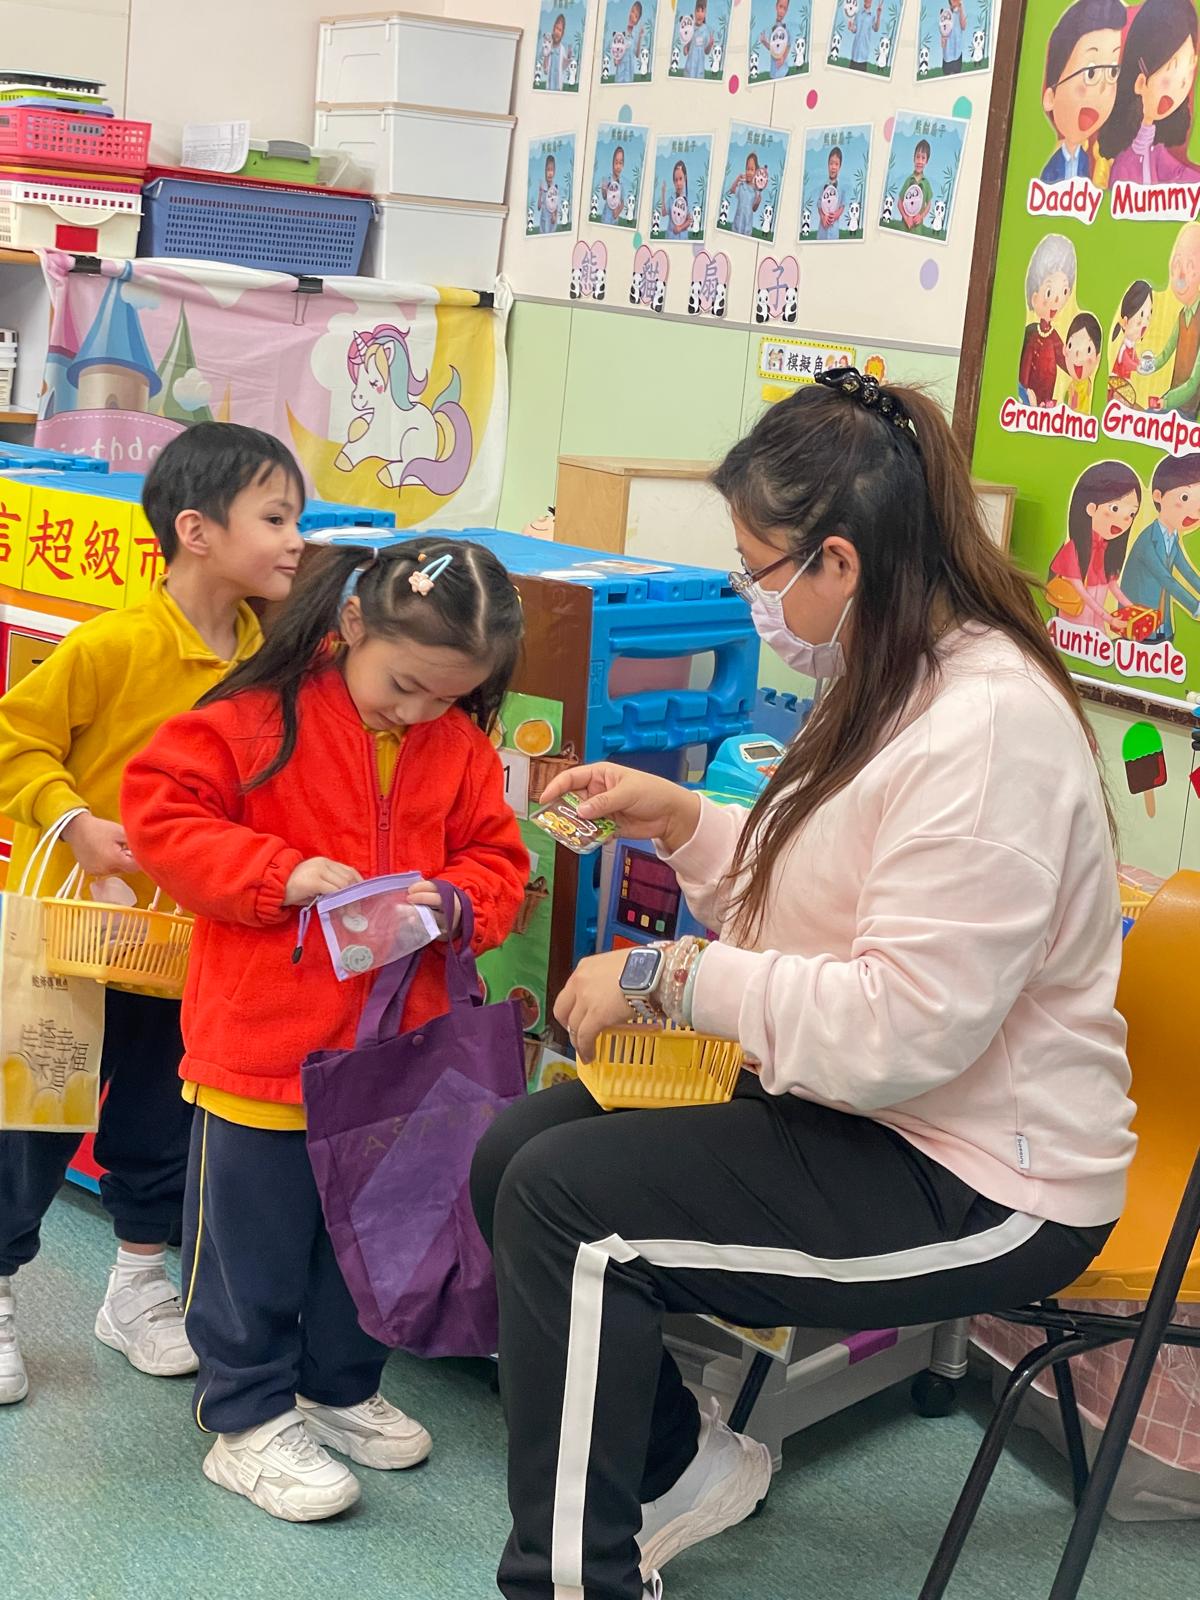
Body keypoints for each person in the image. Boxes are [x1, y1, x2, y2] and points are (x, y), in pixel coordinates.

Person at [471, 367, 1134, 1600]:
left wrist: (669, 974)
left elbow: (896, 1029)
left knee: (573, 1212)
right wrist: (684, 821)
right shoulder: (891, 673)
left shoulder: (986, 730)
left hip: (987, 1175)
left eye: (757, 568)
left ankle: (567, 1579)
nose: (752, 596)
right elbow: (821, 901)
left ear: (840, 560)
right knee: (517, 1151)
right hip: (871, 1109)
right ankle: (677, 1467)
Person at [121, 538, 528, 1523]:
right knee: (250, 1252)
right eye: (404, 685)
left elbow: (499, 862)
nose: (418, 713)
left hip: (395, 1058)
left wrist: (457, 901)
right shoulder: (257, 719)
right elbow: (160, 814)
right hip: (261, 1050)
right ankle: (247, 1419)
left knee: (372, 1243)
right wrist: (279, 874)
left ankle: (336, 1389)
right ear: (351, 624)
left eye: (448, 696)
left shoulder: (460, 749)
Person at [0, 423, 304, 1407]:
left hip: (192, 949)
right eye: (276, 517)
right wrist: (75, 822)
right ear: (196, 531)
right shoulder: (115, 643)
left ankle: (136, 1287)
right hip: (75, 941)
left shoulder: (273, 662)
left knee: (161, 1124)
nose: (296, 539)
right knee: (31, 1120)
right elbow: (15, 739)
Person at [1098, 0, 1200, 186]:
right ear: (1140, 82)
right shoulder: (1124, 164)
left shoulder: (1157, 152)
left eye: (1183, 82)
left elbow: (1178, 173)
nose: (1173, 92)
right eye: (1166, 78)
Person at [1047, 459, 1140, 632]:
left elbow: (1113, 586)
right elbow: (1082, 593)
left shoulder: (1107, 551)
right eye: (1114, 508)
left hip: (1097, 627)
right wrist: (1109, 618)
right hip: (1072, 626)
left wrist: (1135, 610)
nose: (1124, 520)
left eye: (1131, 513)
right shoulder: (1073, 549)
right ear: (1091, 508)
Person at [1039, 0, 1124, 184]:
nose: (1102, 88)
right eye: (1091, 73)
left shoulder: (1089, 162)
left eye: (1112, 72)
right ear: (1050, 97)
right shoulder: (1051, 168)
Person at [1120, 452, 1200, 639]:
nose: (1195, 511)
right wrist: (1195, 606)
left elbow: (1187, 571)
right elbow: (1166, 578)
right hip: (1140, 619)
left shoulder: (1172, 537)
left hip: (1161, 618)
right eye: (1185, 498)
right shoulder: (1147, 540)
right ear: (1158, 496)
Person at [1148, 221, 1200, 416]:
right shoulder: (1182, 315)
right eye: (1177, 264)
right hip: (1171, 400)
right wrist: (1145, 365)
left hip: (1187, 410)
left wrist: (1166, 401)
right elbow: (1166, 353)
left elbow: (1194, 382)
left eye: (1190, 265)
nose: (1181, 274)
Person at [1019, 233, 1076, 406]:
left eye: (1064, 291)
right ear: (1034, 296)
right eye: (1050, 292)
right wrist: (1024, 391)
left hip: (1046, 404)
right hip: (1027, 399)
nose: (1057, 300)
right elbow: (1024, 366)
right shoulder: (1030, 334)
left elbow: (1065, 362)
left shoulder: (1054, 337)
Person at [1107, 280, 1155, 405]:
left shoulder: (1131, 347)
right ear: (1125, 321)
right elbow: (1127, 362)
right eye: (1141, 316)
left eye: (1148, 317)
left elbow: (1135, 359)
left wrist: (1142, 364)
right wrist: (1137, 367)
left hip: (1125, 384)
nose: (1144, 323)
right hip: (1115, 383)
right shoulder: (1122, 347)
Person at [1063, 309, 1103, 412]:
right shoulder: (1070, 386)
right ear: (1064, 349)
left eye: (1088, 349)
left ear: (1097, 358)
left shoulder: (1090, 386)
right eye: (1071, 345)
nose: (1078, 354)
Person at [902, 136, 934, 228]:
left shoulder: (926, 183)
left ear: (927, 161)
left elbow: (929, 204)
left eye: (923, 158)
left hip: (918, 227)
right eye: (918, 157)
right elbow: (900, 202)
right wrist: (906, 217)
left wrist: (921, 216)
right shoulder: (909, 180)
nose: (919, 161)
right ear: (914, 158)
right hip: (904, 225)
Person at [728, 149, 761, 235]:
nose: (749, 172)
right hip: (736, 226)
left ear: (756, 172)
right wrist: (737, 179)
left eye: (752, 169)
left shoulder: (756, 191)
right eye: (747, 169)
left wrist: (758, 201)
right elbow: (732, 190)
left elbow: (754, 209)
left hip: (747, 228)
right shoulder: (742, 185)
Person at [817, 145, 845, 238]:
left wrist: (836, 215)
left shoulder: (842, 187)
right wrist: (822, 217)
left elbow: (842, 206)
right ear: (828, 164)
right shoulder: (822, 186)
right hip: (822, 230)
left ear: (840, 166)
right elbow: (819, 205)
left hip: (834, 231)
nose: (833, 167)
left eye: (836, 164)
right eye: (831, 163)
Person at [537, 152, 559, 233]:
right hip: (543, 219)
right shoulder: (543, 186)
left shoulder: (554, 187)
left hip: (550, 220)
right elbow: (538, 207)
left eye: (552, 170)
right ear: (545, 171)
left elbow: (555, 204)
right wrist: (540, 193)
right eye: (548, 170)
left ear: (554, 171)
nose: (550, 173)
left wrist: (554, 215)